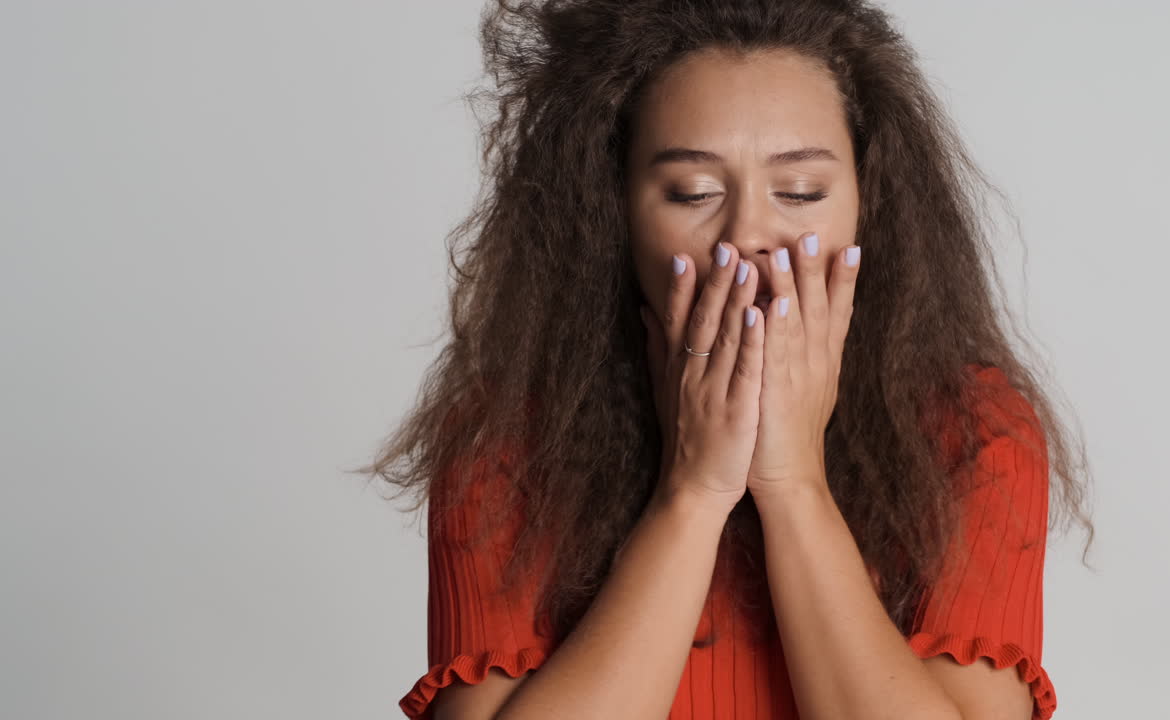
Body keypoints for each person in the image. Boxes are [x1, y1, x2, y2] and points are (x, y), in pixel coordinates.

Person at [362, 1, 1094, 718]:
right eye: (693, 192)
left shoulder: (975, 432)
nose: (748, 232)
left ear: (871, 204)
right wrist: (692, 493)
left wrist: (794, 486)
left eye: (800, 190)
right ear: (610, 211)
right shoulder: (505, 441)